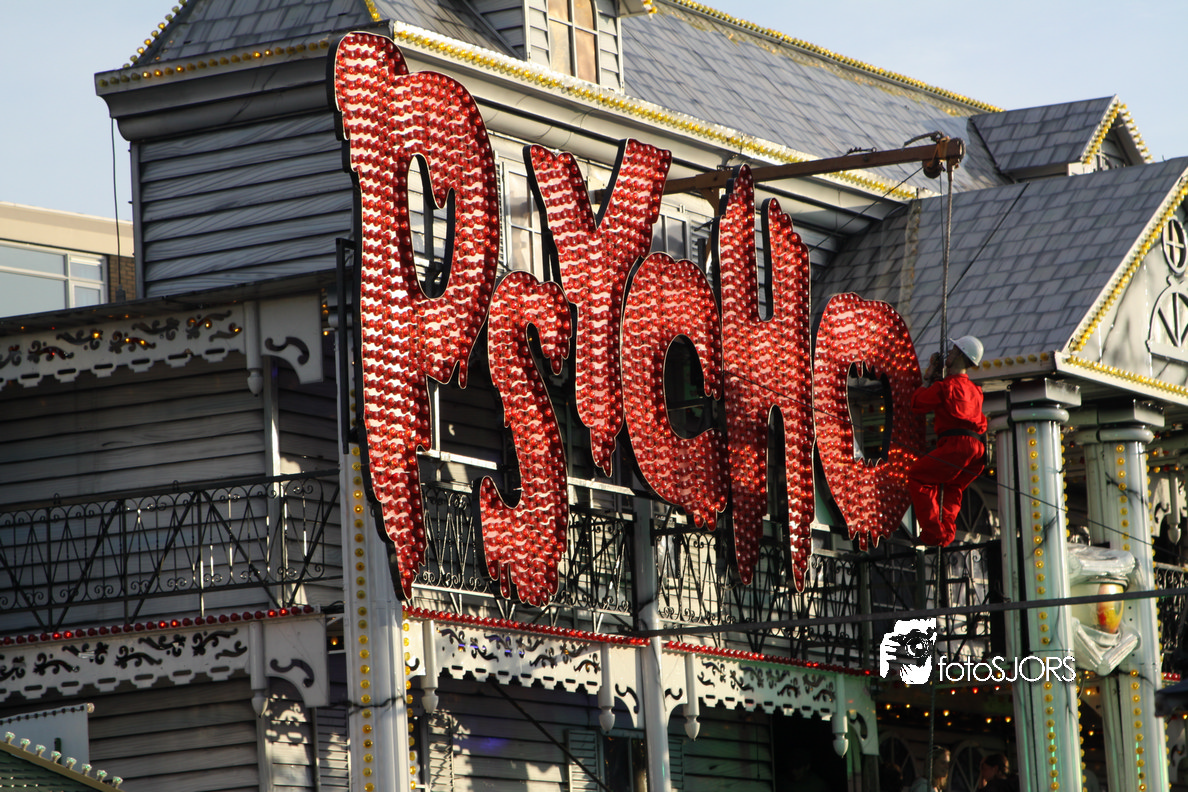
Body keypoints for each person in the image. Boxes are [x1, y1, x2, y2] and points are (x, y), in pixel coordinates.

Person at [907, 335, 987, 546]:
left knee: (918, 476)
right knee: (953, 487)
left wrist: (929, 377)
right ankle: (946, 534)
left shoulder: (946, 387)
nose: (949, 354)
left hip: (957, 446)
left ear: (959, 355)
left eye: (952, 351)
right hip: (978, 450)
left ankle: (933, 533)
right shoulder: (975, 390)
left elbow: (917, 403)